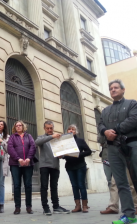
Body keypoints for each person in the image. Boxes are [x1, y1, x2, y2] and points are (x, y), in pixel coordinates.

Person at [98, 79, 137, 224]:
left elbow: (134, 119)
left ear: (123, 90)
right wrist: (104, 131)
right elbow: (100, 123)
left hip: (131, 144)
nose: (113, 90)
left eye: (116, 88)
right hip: (113, 148)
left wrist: (115, 130)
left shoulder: (132, 104)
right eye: (111, 88)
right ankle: (130, 215)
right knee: (121, 183)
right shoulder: (105, 110)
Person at [35, 121, 70, 216]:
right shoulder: (42, 137)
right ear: (44, 128)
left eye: (51, 128)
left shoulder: (58, 139)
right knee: (44, 187)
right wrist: (52, 136)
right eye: (48, 128)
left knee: (54, 187)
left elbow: (62, 151)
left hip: (55, 165)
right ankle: (45, 208)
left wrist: (61, 156)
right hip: (44, 166)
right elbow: (37, 142)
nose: (49, 130)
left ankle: (56, 207)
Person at [99, 132, 137, 215]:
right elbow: (100, 140)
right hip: (114, 154)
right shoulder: (107, 126)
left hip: (127, 152)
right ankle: (113, 206)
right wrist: (105, 132)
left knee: (131, 183)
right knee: (114, 182)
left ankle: (135, 206)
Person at [8, 120, 36, 215]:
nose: (18, 127)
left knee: (28, 185)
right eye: (17, 126)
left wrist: (28, 158)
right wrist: (18, 159)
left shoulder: (29, 136)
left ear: (23, 127)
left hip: (28, 164)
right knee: (17, 185)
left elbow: (33, 146)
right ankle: (17, 207)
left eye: (20, 125)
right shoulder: (12, 137)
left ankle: (29, 207)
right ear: (15, 128)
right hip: (15, 164)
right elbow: (10, 148)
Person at [64, 124, 91, 213]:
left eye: (73, 129)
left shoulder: (80, 141)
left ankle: (85, 205)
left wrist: (79, 154)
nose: (71, 131)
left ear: (76, 132)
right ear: (67, 131)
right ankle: (77, 206)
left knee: (81, 185)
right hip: (70, 167)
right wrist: (61, 155)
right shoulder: (64, 142)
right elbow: (63, 153)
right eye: (69, 129)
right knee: (74, 186)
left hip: (80, 166)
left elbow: (89, 151)